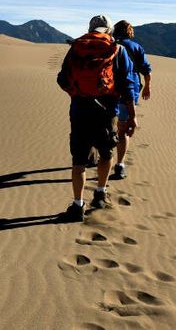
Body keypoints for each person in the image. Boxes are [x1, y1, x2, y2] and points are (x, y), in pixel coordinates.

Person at [56, 15, 137, 222]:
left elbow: (62, 78)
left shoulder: (76, 48)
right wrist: (132, 114)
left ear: (90, 28)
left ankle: (77, 205)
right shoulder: (118, 50)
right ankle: (100, 193)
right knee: (106, 152)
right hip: (107, 111)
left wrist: (77, 93)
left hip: (79, 110)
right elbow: (128, 84)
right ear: (109, 30)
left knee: (79, 160)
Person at [110, 20, 152, 180]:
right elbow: (147, 70)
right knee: (123, 130)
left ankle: (99, 157)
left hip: (107, 92)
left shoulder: (109, 45)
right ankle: (119, 165)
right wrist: (147, 86)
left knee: (105, 126)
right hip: (129, 92)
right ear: (129, 32)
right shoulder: (135, 47)